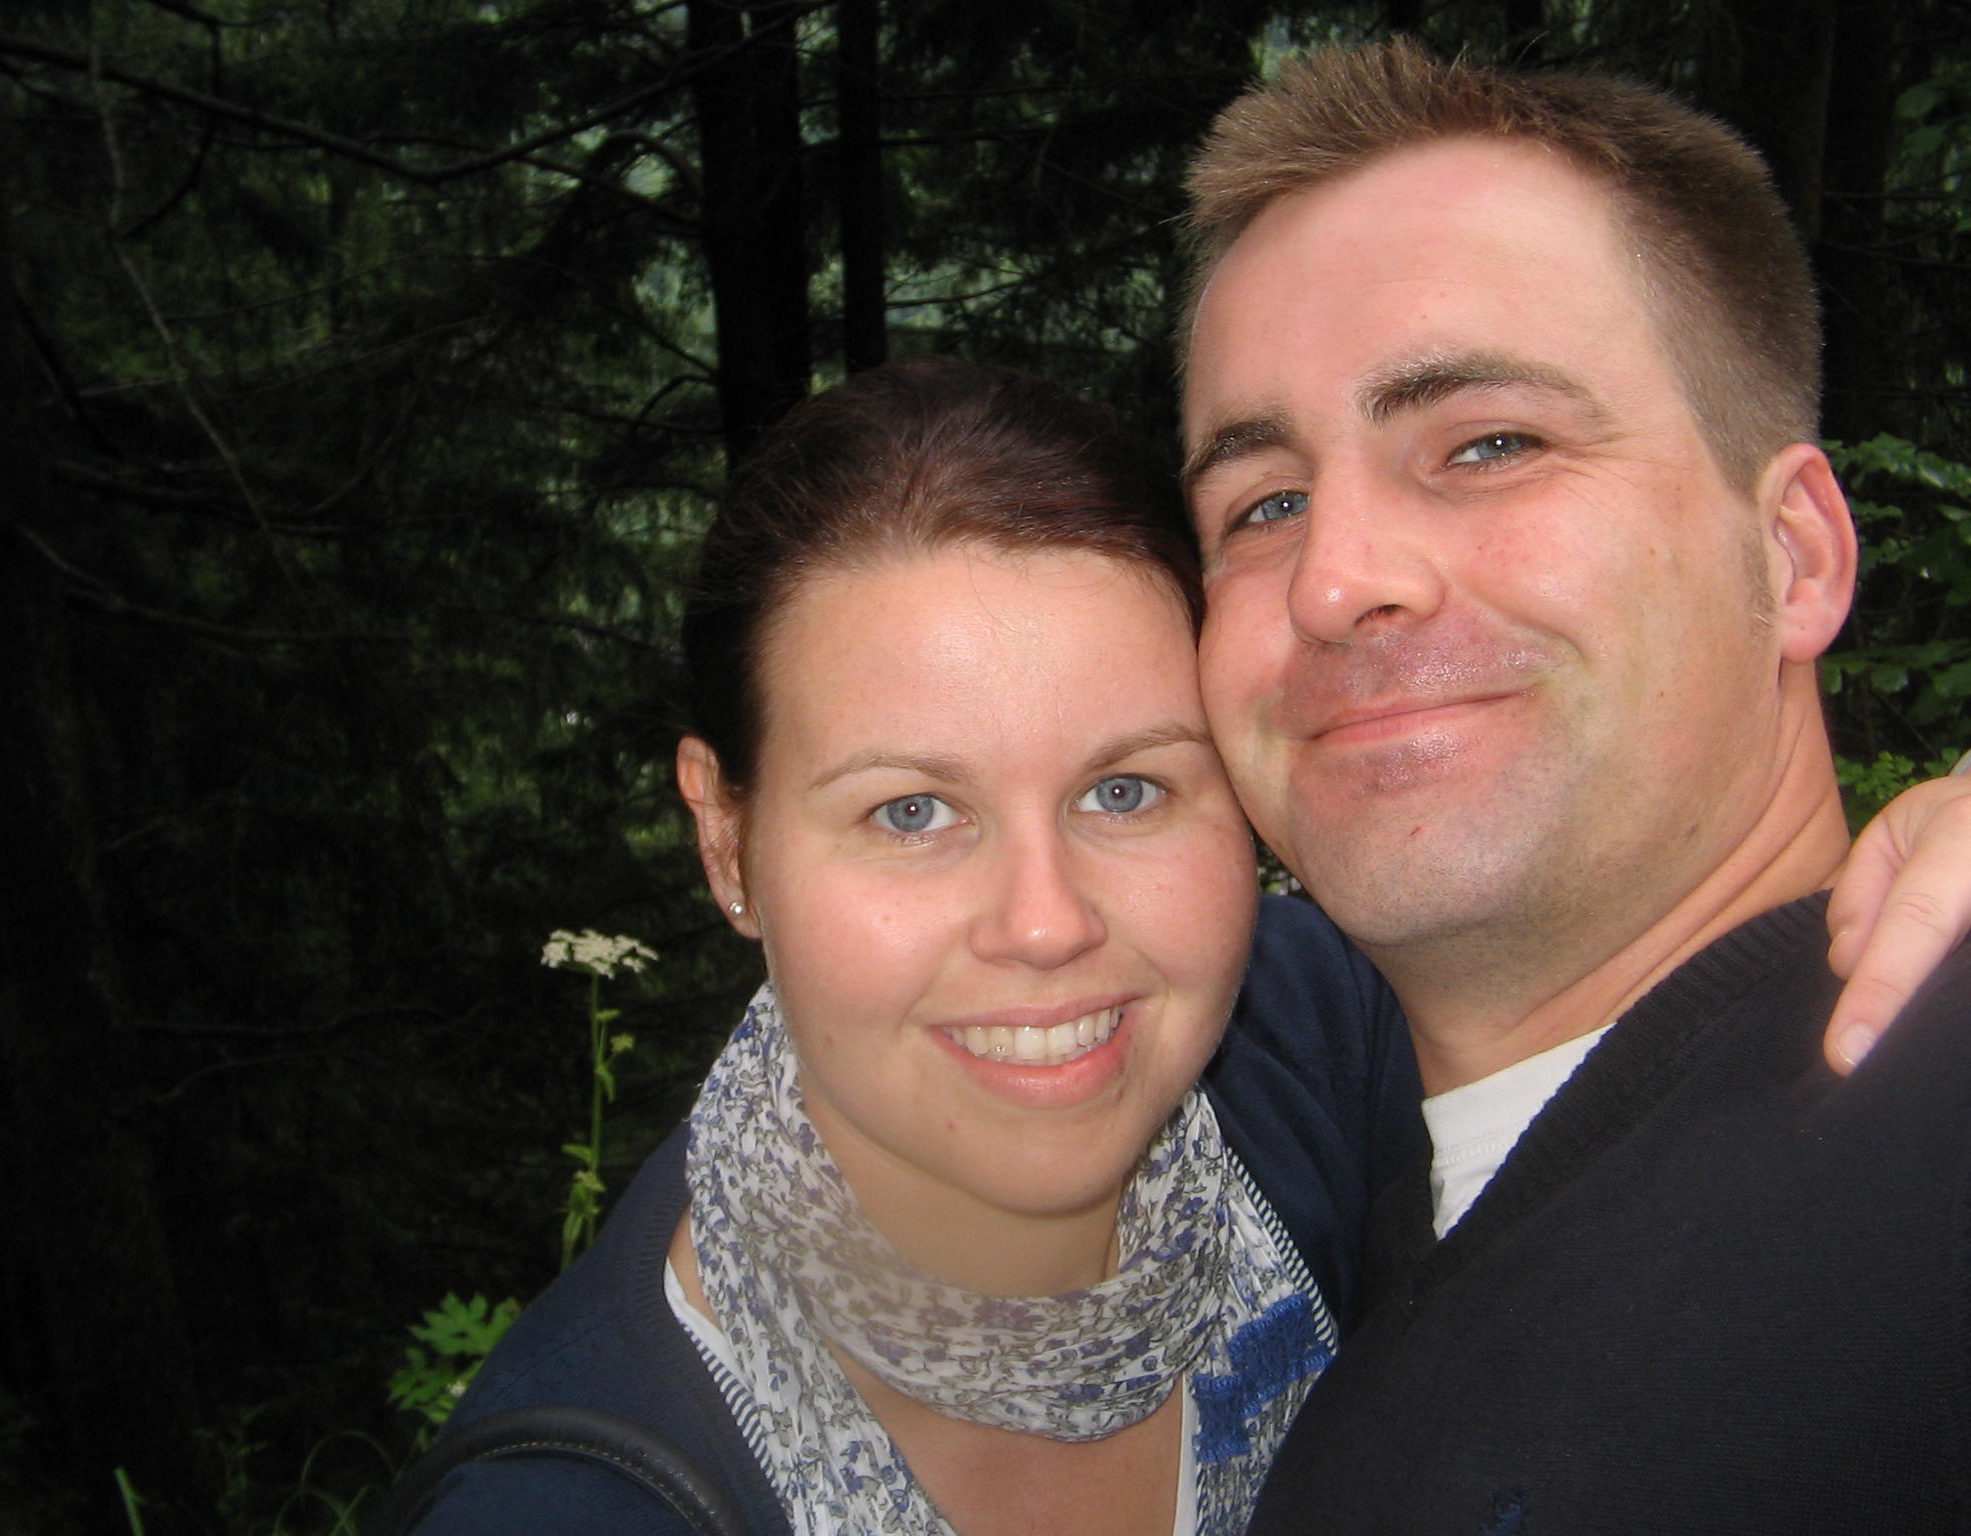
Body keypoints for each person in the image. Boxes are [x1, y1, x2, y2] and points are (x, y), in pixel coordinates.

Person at [389, 355, 1970, 1536]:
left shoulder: (1322, 1045)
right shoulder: (586, 1500)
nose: (1045, 924)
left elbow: (1681, 1059)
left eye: (1126, 790)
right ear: (727, 840)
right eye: (910, 813)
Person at [1173, 38, 1971, 1532]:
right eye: (1264, 503)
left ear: (1794, 556)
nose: (1336, 579)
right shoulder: (1282, 1135)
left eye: (1489, 444)